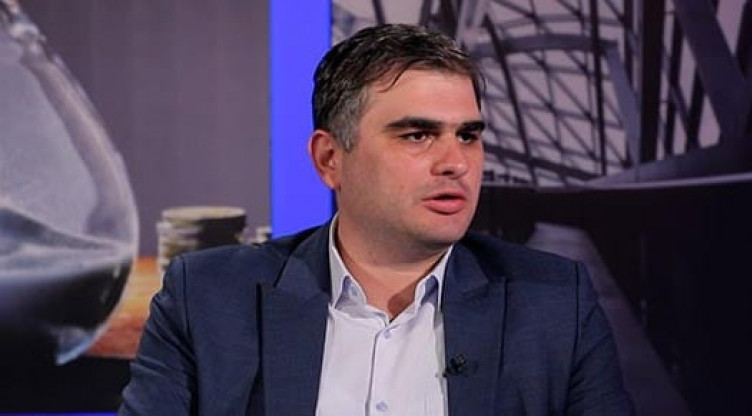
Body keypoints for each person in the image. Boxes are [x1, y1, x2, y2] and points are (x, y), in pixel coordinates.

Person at [120, 24, 634, 416]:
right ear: (330, 159)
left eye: (468, 136)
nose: (455, 162)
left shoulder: (554, 304)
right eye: (417, 135)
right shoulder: (206, 299)